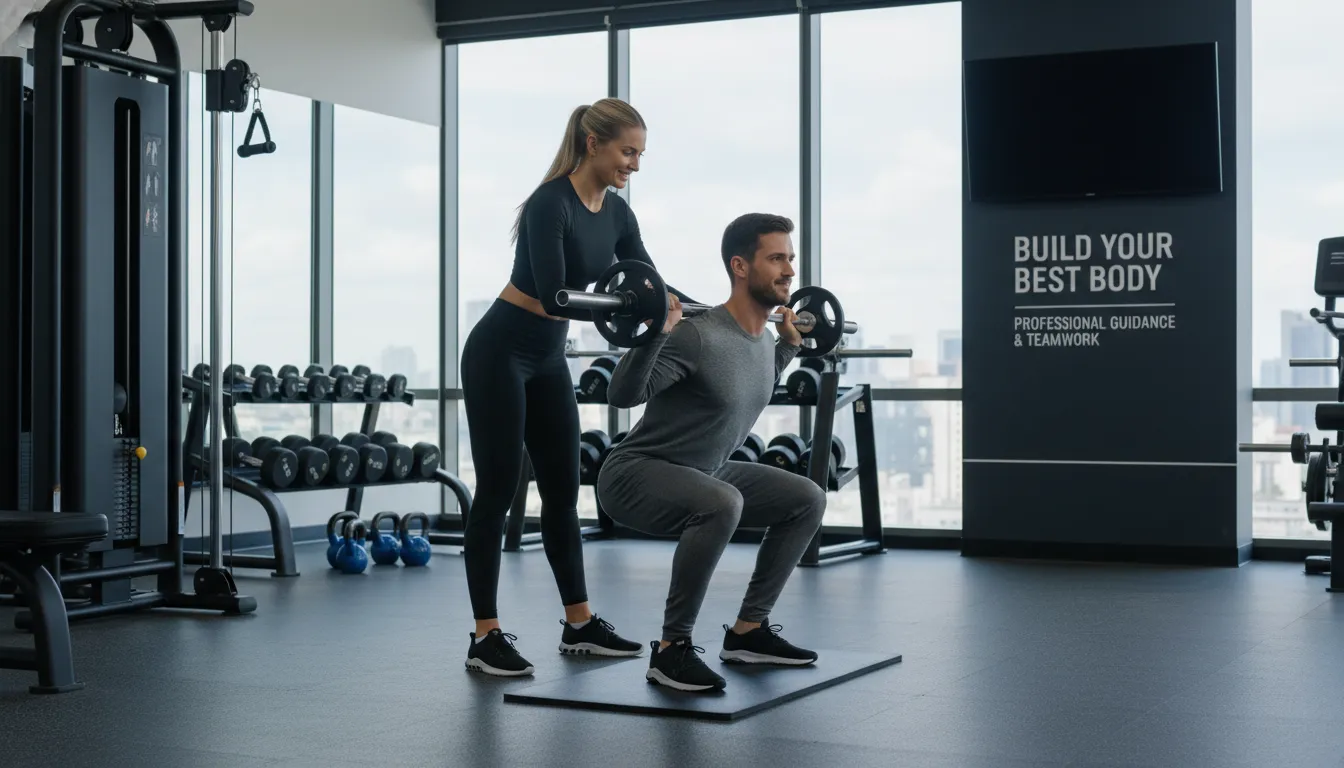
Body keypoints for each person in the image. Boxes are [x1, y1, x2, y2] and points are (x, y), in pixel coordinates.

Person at [459, 98, 697, 678]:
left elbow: (647, 280)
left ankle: (579, 623)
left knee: (563, 494)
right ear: (594, 144)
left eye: (640, 153)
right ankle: (485, 636)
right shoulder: (551, 203)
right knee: (496, 491)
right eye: (628, 151)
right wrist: (622, 306)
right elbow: (549, 292)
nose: (634, 164)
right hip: (498, 352)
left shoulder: (617, 214)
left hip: (547, 360)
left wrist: (697, 308)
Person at [596, 213, 828, 692]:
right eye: (776, 258)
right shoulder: (697, 334)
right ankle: (671, 650)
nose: (789, 270)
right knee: (723, 501)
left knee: (807, 497)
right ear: (740, 267)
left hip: (708, 469)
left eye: (791, 259)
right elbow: (622, 395)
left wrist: (787, 350)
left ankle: (748, 632)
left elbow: (743, 385)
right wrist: (656, 333)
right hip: (635, 473)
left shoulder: (765, 342)